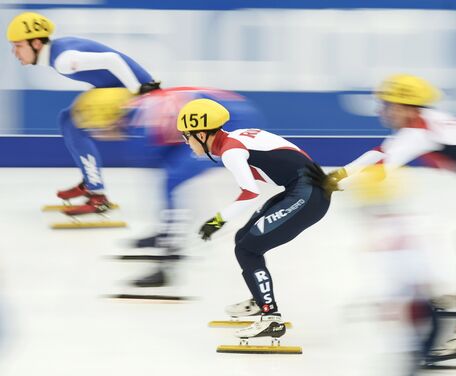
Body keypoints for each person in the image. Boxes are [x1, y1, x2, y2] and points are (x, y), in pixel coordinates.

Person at [317, 74, 456, 362]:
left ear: (407, 106)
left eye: (387, 104)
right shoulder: (427, 122)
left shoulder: (420, 129)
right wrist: (335, 177)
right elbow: (380, 154)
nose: (382, 110)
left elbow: (382, 164)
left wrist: (330, 184)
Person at [70, 86, 262, 287]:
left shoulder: (141, 128)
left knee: (173, 180)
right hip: (227, 110)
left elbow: (163, 170)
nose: (94, 134)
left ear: (108, 117)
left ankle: (169, 262)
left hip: (233, 123)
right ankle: (167, 233)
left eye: (94, 128)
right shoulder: (138, 114)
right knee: (170, 177)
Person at [176, 98, 331, 339]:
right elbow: (290, 155)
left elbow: (250, 193)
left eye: (187, 136)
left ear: (203, 134)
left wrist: (216, 221)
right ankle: (261, 300)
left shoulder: (230, 151)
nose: (185, 142)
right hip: (303, 189)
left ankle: (271, 318)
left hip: (307, 194)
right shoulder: (235, 138)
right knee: (243, 239)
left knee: (249, 249)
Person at [6, 12, 160, 215]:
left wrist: (138, 90)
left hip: (138, 91)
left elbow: (111, 59)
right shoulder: (57, 51)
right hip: (122, 87)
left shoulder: (63, 60)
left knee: (75, 121)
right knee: (67, 119)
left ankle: (97, 196)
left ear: (35, 43)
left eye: (18, 46)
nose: (14, 52)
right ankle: (91, 184)